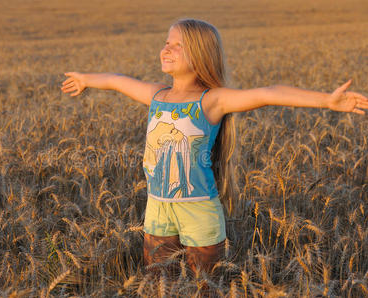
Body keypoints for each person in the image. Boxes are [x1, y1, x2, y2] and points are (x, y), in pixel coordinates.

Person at [61, 18, 368, 278]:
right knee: (158, 282)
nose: (166, 48)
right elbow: (116, 80)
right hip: (157, 205)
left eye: (176, 44)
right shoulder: (157, 95)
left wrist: (326, 100)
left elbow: (268, 93)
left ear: (200, 53)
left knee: (205, 285)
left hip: (198, 208)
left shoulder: (211, 100)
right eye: (166, 42)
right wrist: (85, 79)